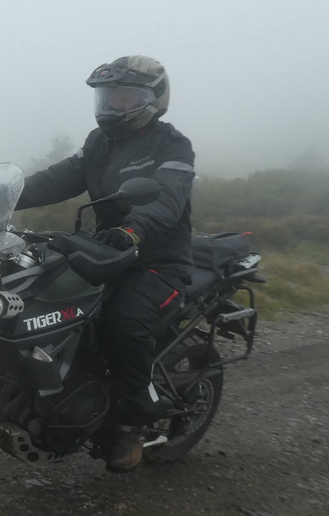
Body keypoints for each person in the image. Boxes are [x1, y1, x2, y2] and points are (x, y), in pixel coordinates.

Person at [16, 55, 195, 472]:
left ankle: (133, 421)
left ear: (152, 100)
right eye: (109, 97)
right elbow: (58, 178)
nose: (114, 105)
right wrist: (4, 194)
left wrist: (133, 230)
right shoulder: (99, 143)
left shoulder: (173, 145)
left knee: (122, 321)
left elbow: (168, 199)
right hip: (106, 253)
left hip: (157, 261)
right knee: (44, 305)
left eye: (125, 97)